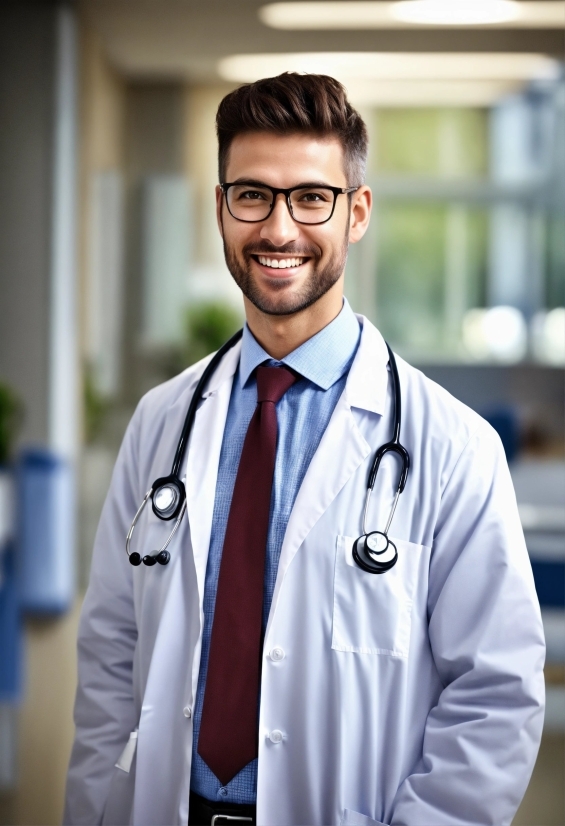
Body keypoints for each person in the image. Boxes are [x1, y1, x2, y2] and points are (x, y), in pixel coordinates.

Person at [64, 73, 545, 826]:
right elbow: (109, 659)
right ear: (221, 207)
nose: (278, 229)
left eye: (310, 197)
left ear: (356, 212)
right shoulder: (161, 421)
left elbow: (494, 694)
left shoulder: (451, 447)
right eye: (251, 194)